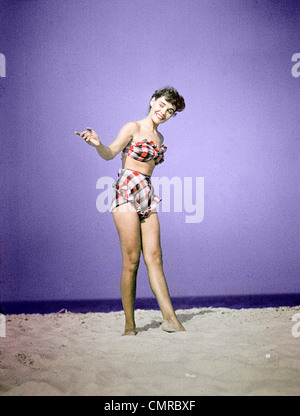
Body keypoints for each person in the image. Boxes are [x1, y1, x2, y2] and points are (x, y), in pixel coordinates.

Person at [75, 87, 186, 336]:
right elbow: (110, 153)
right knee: (132, 260)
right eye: (162, 105)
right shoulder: (132, 127)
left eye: (170, 111)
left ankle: (170, 319)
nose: (164, 112)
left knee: (155, 256)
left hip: (146, 191)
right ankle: (129, 326)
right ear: (152, 101)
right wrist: (97, 144)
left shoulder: (160, 139)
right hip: (126, 190)